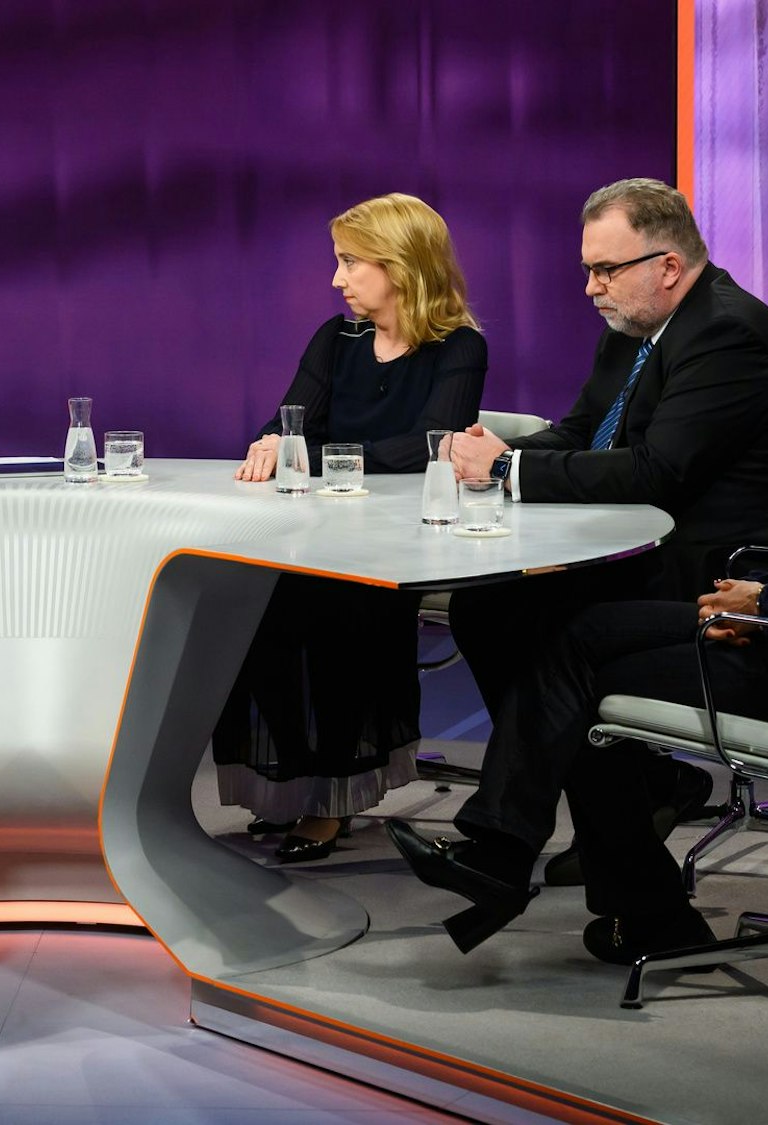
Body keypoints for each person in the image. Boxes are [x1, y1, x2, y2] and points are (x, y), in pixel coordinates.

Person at [389, 251, 768, 961]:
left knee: (580, 684)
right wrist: (764, 595)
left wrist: (767, 603)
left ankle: (576, 882)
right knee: (572, 635)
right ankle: (516, 852)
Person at [443, 178, 768, 880]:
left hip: (719, 571)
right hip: (647, 546)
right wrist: (503, 457)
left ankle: (584, 825)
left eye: (605, 269)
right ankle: (636, 796)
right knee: (485, 605)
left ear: (668, 267)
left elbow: (658, 472)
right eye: (587, 268)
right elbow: (584, 432)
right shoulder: (636, 329)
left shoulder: (726, 332)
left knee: (537, 622)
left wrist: (507, 474)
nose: (590, 287)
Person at [213, 193, 485, 862]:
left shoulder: (460, 347)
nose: (338, 279)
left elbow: (431, 444)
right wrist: (276, 444)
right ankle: (295, 783)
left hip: (398, 542)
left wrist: (321, 457)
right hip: (317, 533)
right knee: (249, 604)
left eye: (351, 263)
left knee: (331, 610)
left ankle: (331, 797)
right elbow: (286, 425)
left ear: (400, 266)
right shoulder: (336, 340)